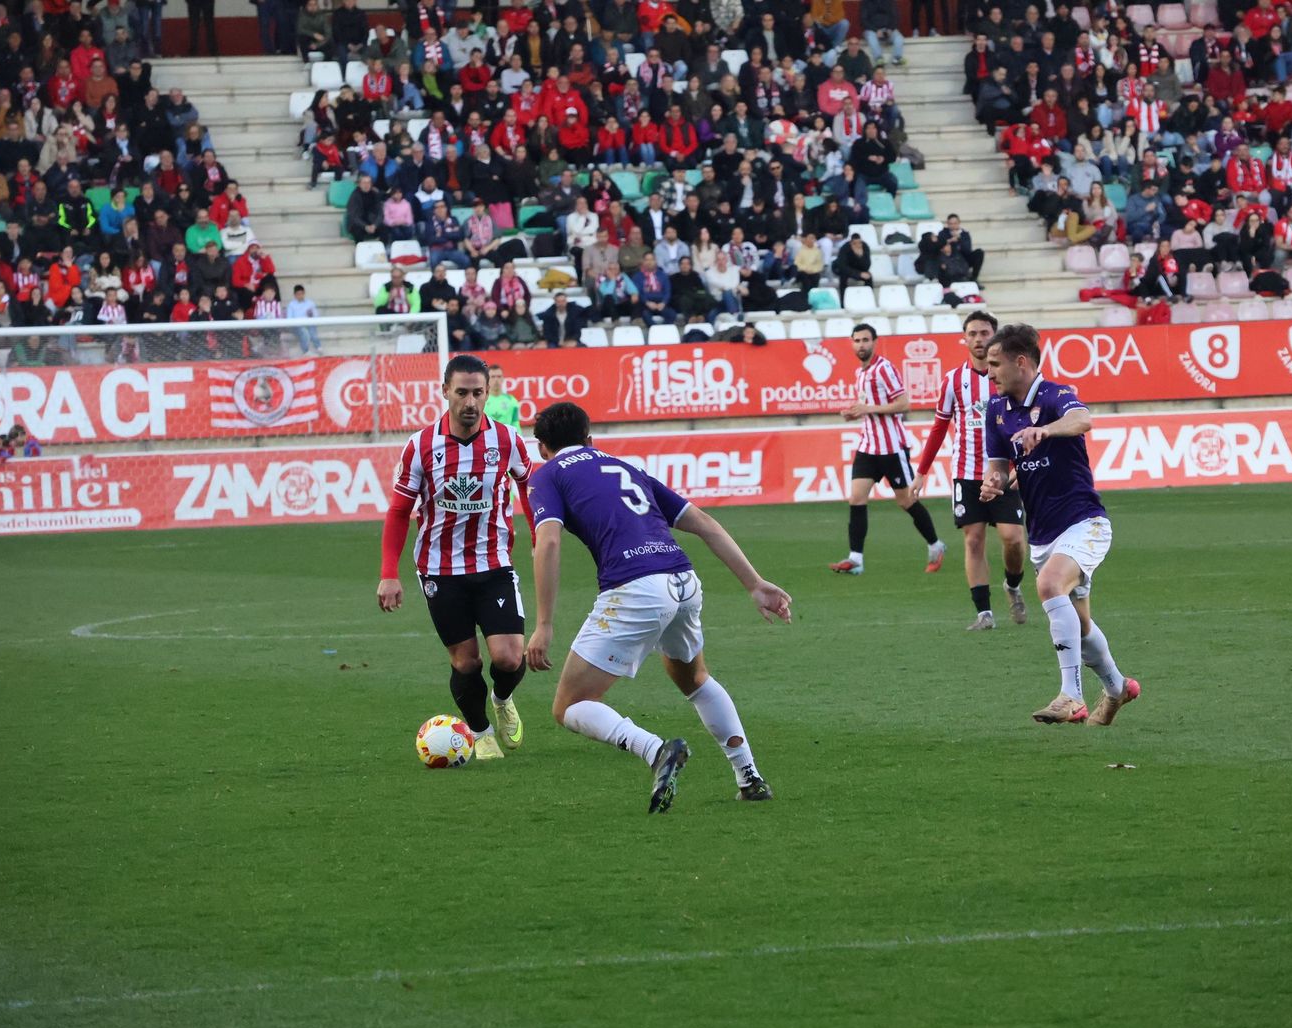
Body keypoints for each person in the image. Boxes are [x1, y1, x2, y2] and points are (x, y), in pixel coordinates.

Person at [523, 401, 791, 811]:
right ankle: (749, 776)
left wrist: (543, 624)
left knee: (570, 705)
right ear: (591, 438)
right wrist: (754, 584)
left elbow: (549, 541)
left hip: (635, 588)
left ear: (542, 447)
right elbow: (704, 523)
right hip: (683, 581)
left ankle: (656, 751)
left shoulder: (547, 475)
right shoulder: (628, 469)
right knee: (694, 677)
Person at [979, 323, 1141, 726]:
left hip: (1084, 521)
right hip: (1043, 534)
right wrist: (993, 482)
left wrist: (1045, 430)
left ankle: (1071, 696)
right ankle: (1118, 688)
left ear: (1021, 362)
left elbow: (1083, 420)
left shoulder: (1055, 395)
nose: (988, 372)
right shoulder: (996, 410)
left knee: (1050, 585)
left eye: (995, 363)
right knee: (1080, 626)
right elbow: (999, 466)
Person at [376, 355, 533, 762]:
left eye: (477, 393)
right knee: (466, 662)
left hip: (494, 563)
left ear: (487, 393)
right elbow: (398, 512)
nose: (470, 402)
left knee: (510, 657)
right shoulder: (420, 445)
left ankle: (501, 698)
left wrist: (538, 532)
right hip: (441, 571)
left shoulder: (508, 440)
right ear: (445, 391)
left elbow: (528, 485)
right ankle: (480, 732)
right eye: (461, 392)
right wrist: (388, 573)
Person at [914, 311, 1030, 631]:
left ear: (995, 337)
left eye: (984, 332)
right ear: (964, 339)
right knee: (973, 540)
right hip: (966, 472)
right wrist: (922, 471)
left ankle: (1013, 585)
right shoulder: (953, 380)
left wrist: (1021, 464)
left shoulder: (1010, 377)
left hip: (1003, 472)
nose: (978, 339)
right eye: (973, 333)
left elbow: (1025, 423)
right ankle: (984, 614)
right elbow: (939, 427)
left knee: (1013, 539)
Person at [828, 323, 947, 577]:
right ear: (852, 344)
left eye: (865, 340)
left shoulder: (884, 369)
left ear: (874, 342)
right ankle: (856, 559)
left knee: (906, 501)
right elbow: (871, 407)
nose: (861, 344)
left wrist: (867, 409)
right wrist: (854, 414)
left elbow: (904, 404)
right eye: (857, 340)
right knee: (856, 499)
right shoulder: (861, 373)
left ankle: (936, 545)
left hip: (891, 447)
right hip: (868, 446)